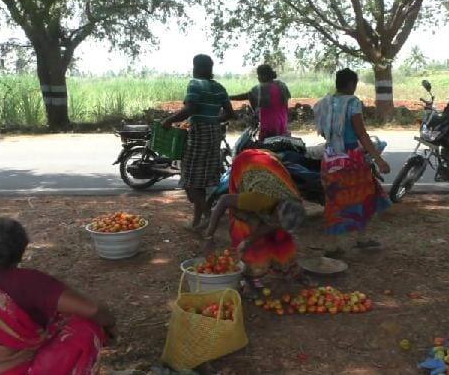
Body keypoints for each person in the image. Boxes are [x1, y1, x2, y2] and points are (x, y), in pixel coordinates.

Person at [0, 217, 116, 375]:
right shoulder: (29, 282)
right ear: (20, 251)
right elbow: (92, 309)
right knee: (85, 326)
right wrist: (109, 324)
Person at [204, 149, 312, 296]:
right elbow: (223, 201)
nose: (275, 223)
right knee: (243, 224)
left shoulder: (294, 202)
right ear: (274, 211)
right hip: (246, 163)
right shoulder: (259, 200)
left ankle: (286, 268)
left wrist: (250, 240)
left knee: (280, 235)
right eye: (275, 220)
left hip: (271, 165)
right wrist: (209, 236)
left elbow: (274, 224)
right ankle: (250, 278)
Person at [313, 68, 391, 256]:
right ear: (350, 84)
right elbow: (361, 133)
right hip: (350, 160)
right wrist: (378, 159)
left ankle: (332, 246)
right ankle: (361, 239)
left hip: (330, 158)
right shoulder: (353, 102)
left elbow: (325, 132)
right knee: (364, 195)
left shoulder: (325, 102)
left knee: (334, 199)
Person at [162, 54, 236, 231]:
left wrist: (169, 120)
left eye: (194, 66)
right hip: (213, 135)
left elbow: (190, 109)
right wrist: (212, 119)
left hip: (199, 135)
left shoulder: (195, 83)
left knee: (189, 181)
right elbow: (230, 113)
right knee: (200, 182)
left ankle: (209, 217)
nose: (193, 69)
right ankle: (197, 222)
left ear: (199, 68)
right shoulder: (219, 87)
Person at [230, 64, 291, 140]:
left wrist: (228, 97)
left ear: (264, 75)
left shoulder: (260, 88)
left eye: (258, 75)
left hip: (268, 126)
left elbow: (247, 95)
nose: (258, 77)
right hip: (283, 124)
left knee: (265, 149)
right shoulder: (282, 86)